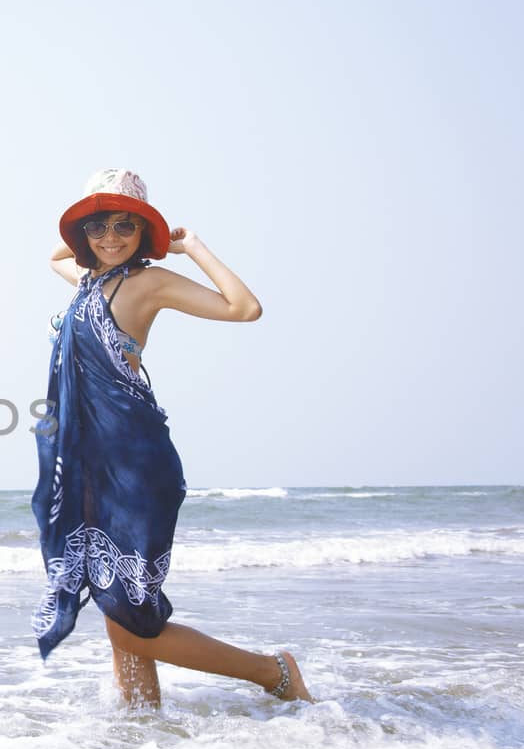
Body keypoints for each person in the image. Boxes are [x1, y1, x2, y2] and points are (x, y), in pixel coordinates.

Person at [31, 168, 314, 707]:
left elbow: (244, 308)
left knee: (133, 622)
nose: (110, 238)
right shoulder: (92, 280)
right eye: (97, 227)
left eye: (124, 226)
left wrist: (191, 246)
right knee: (121, 613)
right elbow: (55, 257)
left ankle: (273, 672)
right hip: (92, 465)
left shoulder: (148, 283)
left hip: (135, 466)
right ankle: (144, 735)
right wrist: (87, 230)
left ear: (144, 232)